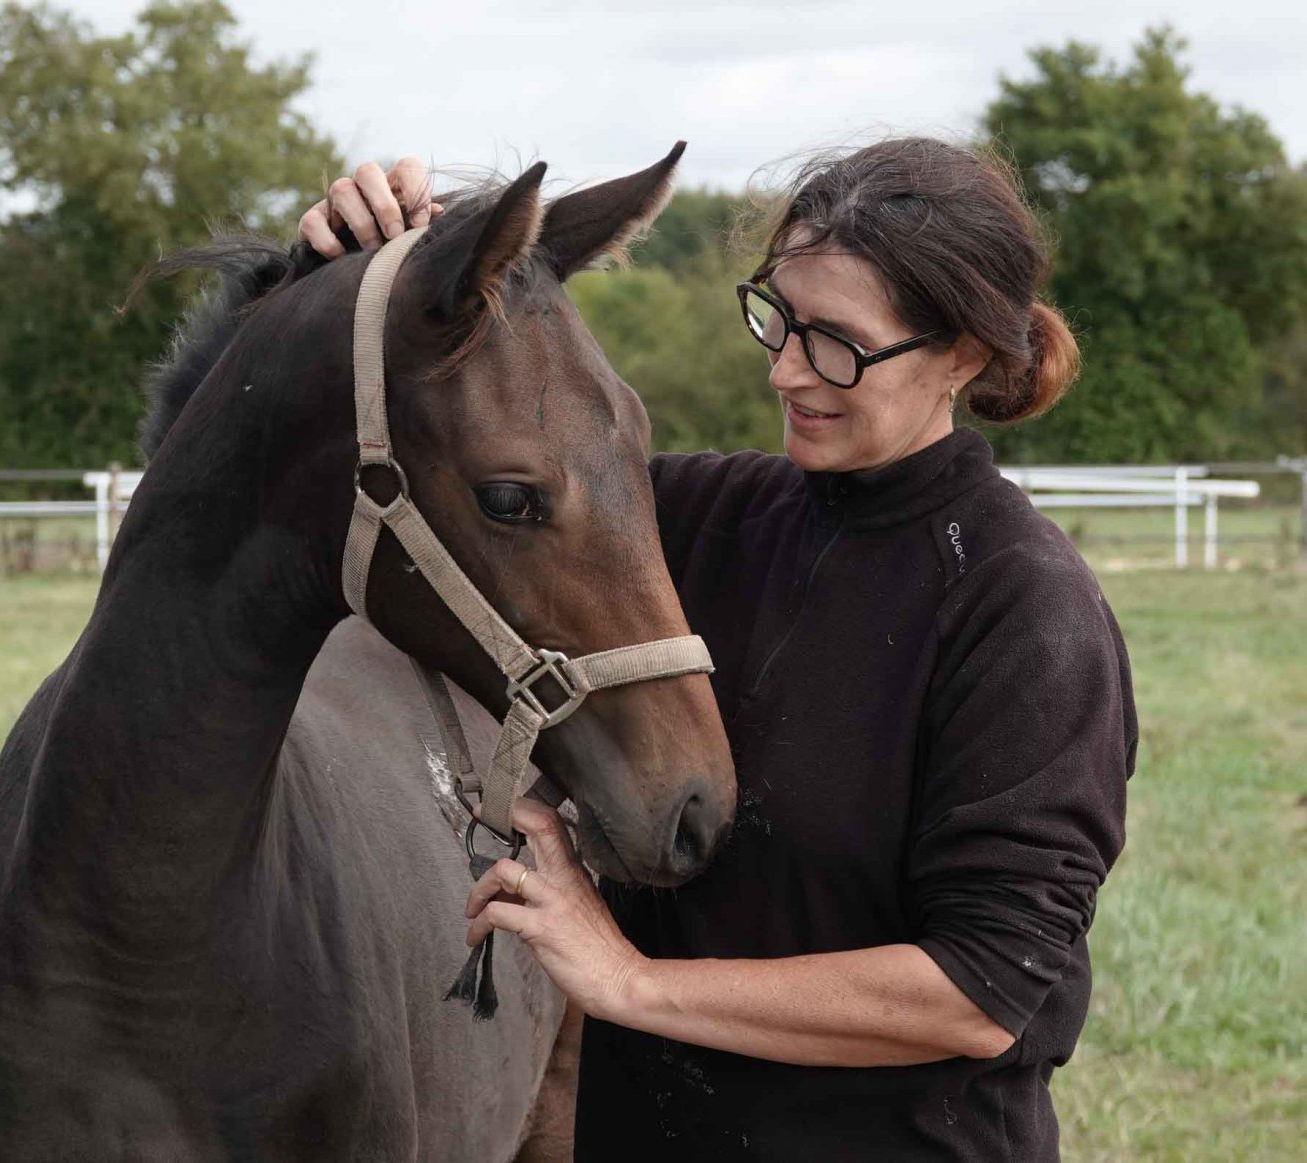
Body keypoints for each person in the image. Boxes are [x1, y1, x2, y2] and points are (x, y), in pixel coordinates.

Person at [299, 139, 1137, 1161]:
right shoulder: (705, 520)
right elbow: (474, 481)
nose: (785, 369)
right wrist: (386, 263)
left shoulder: (1026, 608)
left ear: (961, 353)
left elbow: (981, 989)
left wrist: (629, 980)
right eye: (779, 318)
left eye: (838, 343)